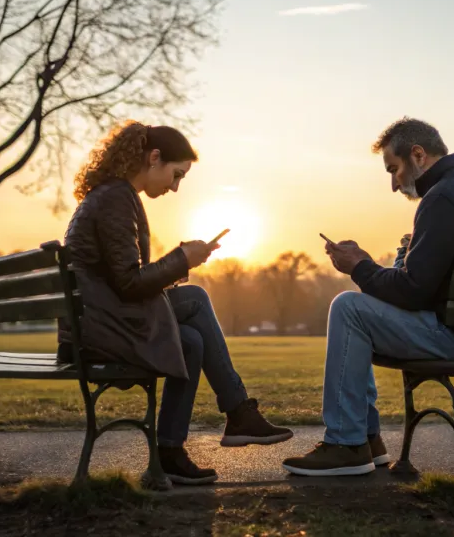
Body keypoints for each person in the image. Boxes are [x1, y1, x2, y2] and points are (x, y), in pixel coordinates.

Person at [59, 121, 292, 485]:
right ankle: (238, 411)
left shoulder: (108, 195)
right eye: (176, 174)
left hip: (94, 323)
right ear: (154, 158)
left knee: (191, 341)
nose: (176, 186)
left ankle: (170, 451)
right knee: (196, 298)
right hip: (99, 330)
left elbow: (121, 280)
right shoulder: (117, 197)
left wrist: (183, 259)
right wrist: (183, 258)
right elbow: (129, 283)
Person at [282, 117, 454, 477]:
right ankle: (367, 439)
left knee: (348, 307)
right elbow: (421, 285)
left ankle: (347, 444)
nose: (393, 184)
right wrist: (395, 261)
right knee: (360, 312)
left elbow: (413, 292)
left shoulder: (444, 196)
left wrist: (359, 267)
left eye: (394, 169)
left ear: (418, 155)